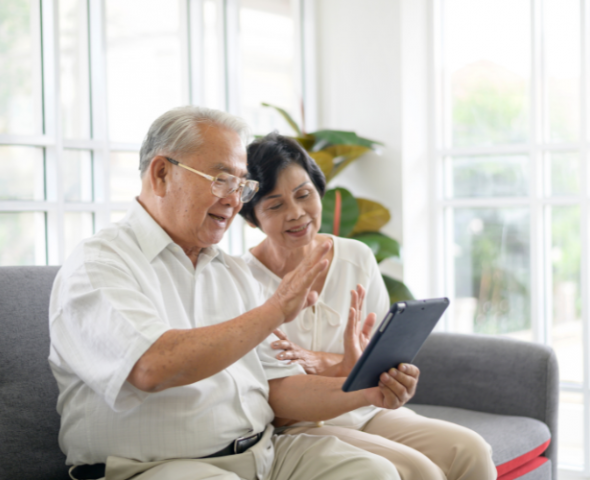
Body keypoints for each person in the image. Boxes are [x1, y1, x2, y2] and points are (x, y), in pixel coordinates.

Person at [48, 106, 421, 480]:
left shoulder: (231, 272)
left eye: (241, 185)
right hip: (158, 467)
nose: (234, 200)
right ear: (162, 174)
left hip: (265, 453)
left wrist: (367, 392)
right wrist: (276, 309)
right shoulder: (98, 264)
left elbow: (280, 388)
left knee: (373, 473)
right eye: (222, 179)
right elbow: (151, 366)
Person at [238, 132, 497, 480]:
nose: (296, 214)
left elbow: (375, 363)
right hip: (298, 425)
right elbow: (274, 393)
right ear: (252, 217)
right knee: (420, 471)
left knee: (472, 450)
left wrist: (323, 363)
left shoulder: (356, 257)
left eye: (304, 195)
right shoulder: (241, 280)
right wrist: (345, 366)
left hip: (367, 410)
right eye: (275, 205)